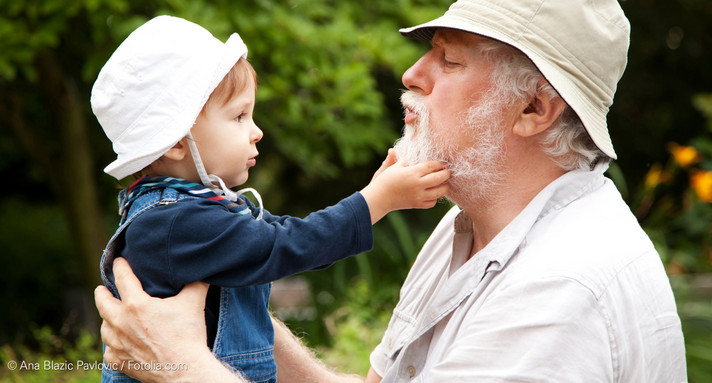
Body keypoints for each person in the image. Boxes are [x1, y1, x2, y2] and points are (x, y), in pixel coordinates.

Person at [94, 0, 688, 382]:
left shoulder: (560, 292)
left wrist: (185, 367)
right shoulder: (469, 230)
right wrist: (233, 316)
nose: (411, 73)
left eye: (448, 59)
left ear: (533, 107)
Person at [90, 15, 450, 383]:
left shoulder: (200, 208)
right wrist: (376, 201)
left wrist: (372, 196)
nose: (257, 131)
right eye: (239, 117)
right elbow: (285, 246)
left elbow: (295, 239)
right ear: (179, 141)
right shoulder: (173, 223)